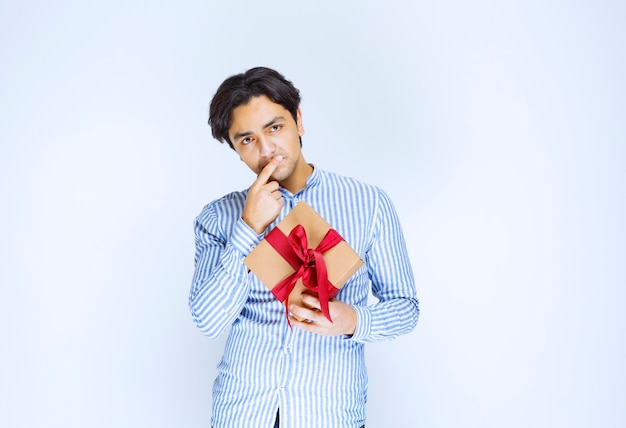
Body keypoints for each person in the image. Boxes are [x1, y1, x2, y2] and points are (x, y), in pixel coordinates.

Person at [189, 66, 419, 428]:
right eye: (246, 139)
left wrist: (352, 319)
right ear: (236, 150)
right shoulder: (219, 217)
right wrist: (249, 228)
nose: (266, 150)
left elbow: (406, 307)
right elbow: (207, 320)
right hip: (243, 413)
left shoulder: (369, 203)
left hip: (328, 413)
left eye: (275, 128)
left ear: (298, 121)